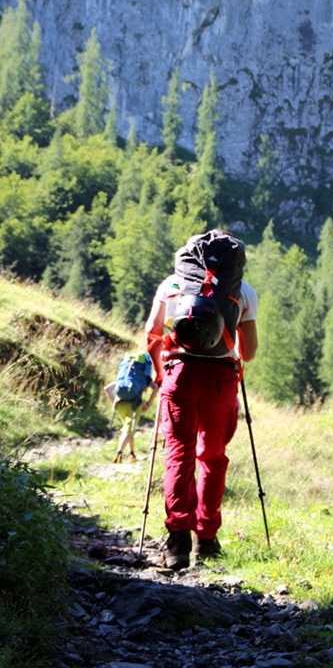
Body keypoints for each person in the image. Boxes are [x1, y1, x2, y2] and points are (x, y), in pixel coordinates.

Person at [145, 235, 258, 569]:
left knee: (179, 454)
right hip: (220, 379)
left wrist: (161, 371)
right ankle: (206, 541)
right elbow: (248, 352)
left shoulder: (172, 283)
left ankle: (177, 541)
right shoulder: (243, 291)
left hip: (179, 372)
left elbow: (152, 332)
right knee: (212, 457)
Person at [105, 354, 159, 464]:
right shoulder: (144, 378)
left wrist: (115, 402)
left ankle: (131, 454)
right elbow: (156, 388)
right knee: (129, 429)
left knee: (129, 429)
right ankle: (119, 454)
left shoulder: (124, 378)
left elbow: (107, 389)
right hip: (135, 404)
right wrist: (148, 404)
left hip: (121, 405)